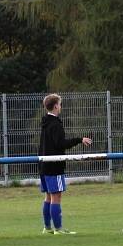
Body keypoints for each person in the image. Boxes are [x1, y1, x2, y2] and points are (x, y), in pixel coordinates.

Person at [38, 94, 92, 235]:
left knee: (48, 197)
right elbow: (61, 144)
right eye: (60, 104)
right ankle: (58, 229)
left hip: (43, 165)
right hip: (54, 166)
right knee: (56, 197)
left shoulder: (45, 122)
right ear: (56, 106)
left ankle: (47, 228)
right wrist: (79, 139)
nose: (61, 107)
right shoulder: (55, 124)